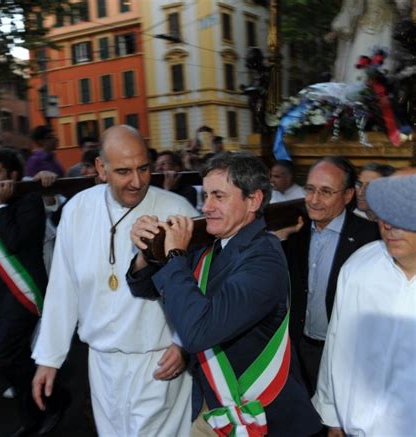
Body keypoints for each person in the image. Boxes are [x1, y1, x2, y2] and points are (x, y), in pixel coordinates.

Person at [128, 151, 322, 436]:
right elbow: (144, 287)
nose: (206, 206)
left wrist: (175, 255)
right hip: (216, 407)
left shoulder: (264, 258)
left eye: (218, 196)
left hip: (264, 415)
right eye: (205, 195)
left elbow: (197, 331)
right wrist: (148, 252)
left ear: (253, 200)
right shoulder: (212, 244)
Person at [32, 125, 196, 436]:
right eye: (123, 171)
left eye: (144, 168)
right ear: (100, 168)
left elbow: (203, 288)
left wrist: (184, 344)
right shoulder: (78, 209)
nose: (137, 181)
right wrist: (49, 359)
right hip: (101, 364)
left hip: (158, 362)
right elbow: (63, 289)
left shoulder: (177, 211)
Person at [0, 149, 66, 436]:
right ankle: (33, 417)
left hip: (25, 291)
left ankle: (54, 399)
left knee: (5, 358)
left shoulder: (27, 200)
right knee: (12, 359)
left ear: (13, 175)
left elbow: (17, 242)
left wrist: (1, 207)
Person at [312, 174, 416, 436]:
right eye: (385, 213)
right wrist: (332, 416)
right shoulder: (359, 267)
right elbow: (336, 344)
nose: (390, 226)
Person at [282, 156, 380, 394]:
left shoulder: (371, 238)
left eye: (325, 192)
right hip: (298, 347)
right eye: (310, 189)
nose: (314, 200)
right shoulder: (294, 230)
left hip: (348, 352)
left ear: (347, 196)